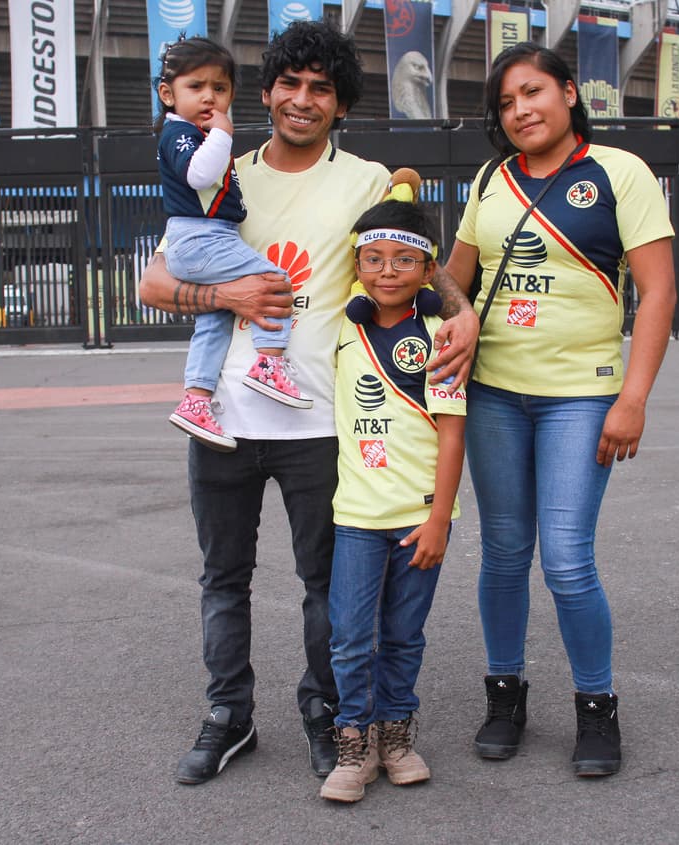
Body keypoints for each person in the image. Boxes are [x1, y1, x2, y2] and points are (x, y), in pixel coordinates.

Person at [137, 20, 478, 787]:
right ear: (263, 94)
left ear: (341, 104)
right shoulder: (219, 168)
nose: (302, 99)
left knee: (326, 588)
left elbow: (416, 255)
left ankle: (330, 714)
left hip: (321, 422)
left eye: (320, 88)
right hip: (223, 417)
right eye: (289, 84)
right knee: (223, 579)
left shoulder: (364, 180)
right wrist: (226, 295)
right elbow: (153, 282)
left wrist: (463, 311)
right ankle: (229, 714)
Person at [443, 43, 676, 778]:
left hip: (582, 395)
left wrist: (633, 398)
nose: (521, 110)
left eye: (533, 92)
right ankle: (504, 696)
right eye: (506, 102)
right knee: (504, 552)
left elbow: (659, 292)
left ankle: (596, 706)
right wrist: (452, 310)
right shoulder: (491, 178)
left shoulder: (619, 172)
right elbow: (452, 280)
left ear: (570, 93)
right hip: (492, 395)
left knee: (569, 561)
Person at [320, 198, 466, 803]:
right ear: (355, 265)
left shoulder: (443, 335)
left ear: (430, 269)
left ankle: (396, 736)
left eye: (404, 260)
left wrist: (439, 520)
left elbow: (453, 433)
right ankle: (354, 743)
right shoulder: (340, 325)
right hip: (356, 517)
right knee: (351, 638)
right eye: (373, 259)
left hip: (419, 519)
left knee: (404, 635)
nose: (387, 271)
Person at [153, 37, 311, 453]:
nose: (209, 97)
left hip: (203, 236)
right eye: (196, 87)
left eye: (220, 88)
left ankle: (196, 400)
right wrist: (222, 134)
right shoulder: (181, 133)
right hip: (202, 236)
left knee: (214, 319)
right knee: (273, 280)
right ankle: (269, 362)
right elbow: (199, 175)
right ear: (167, 94)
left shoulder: (191, 133)